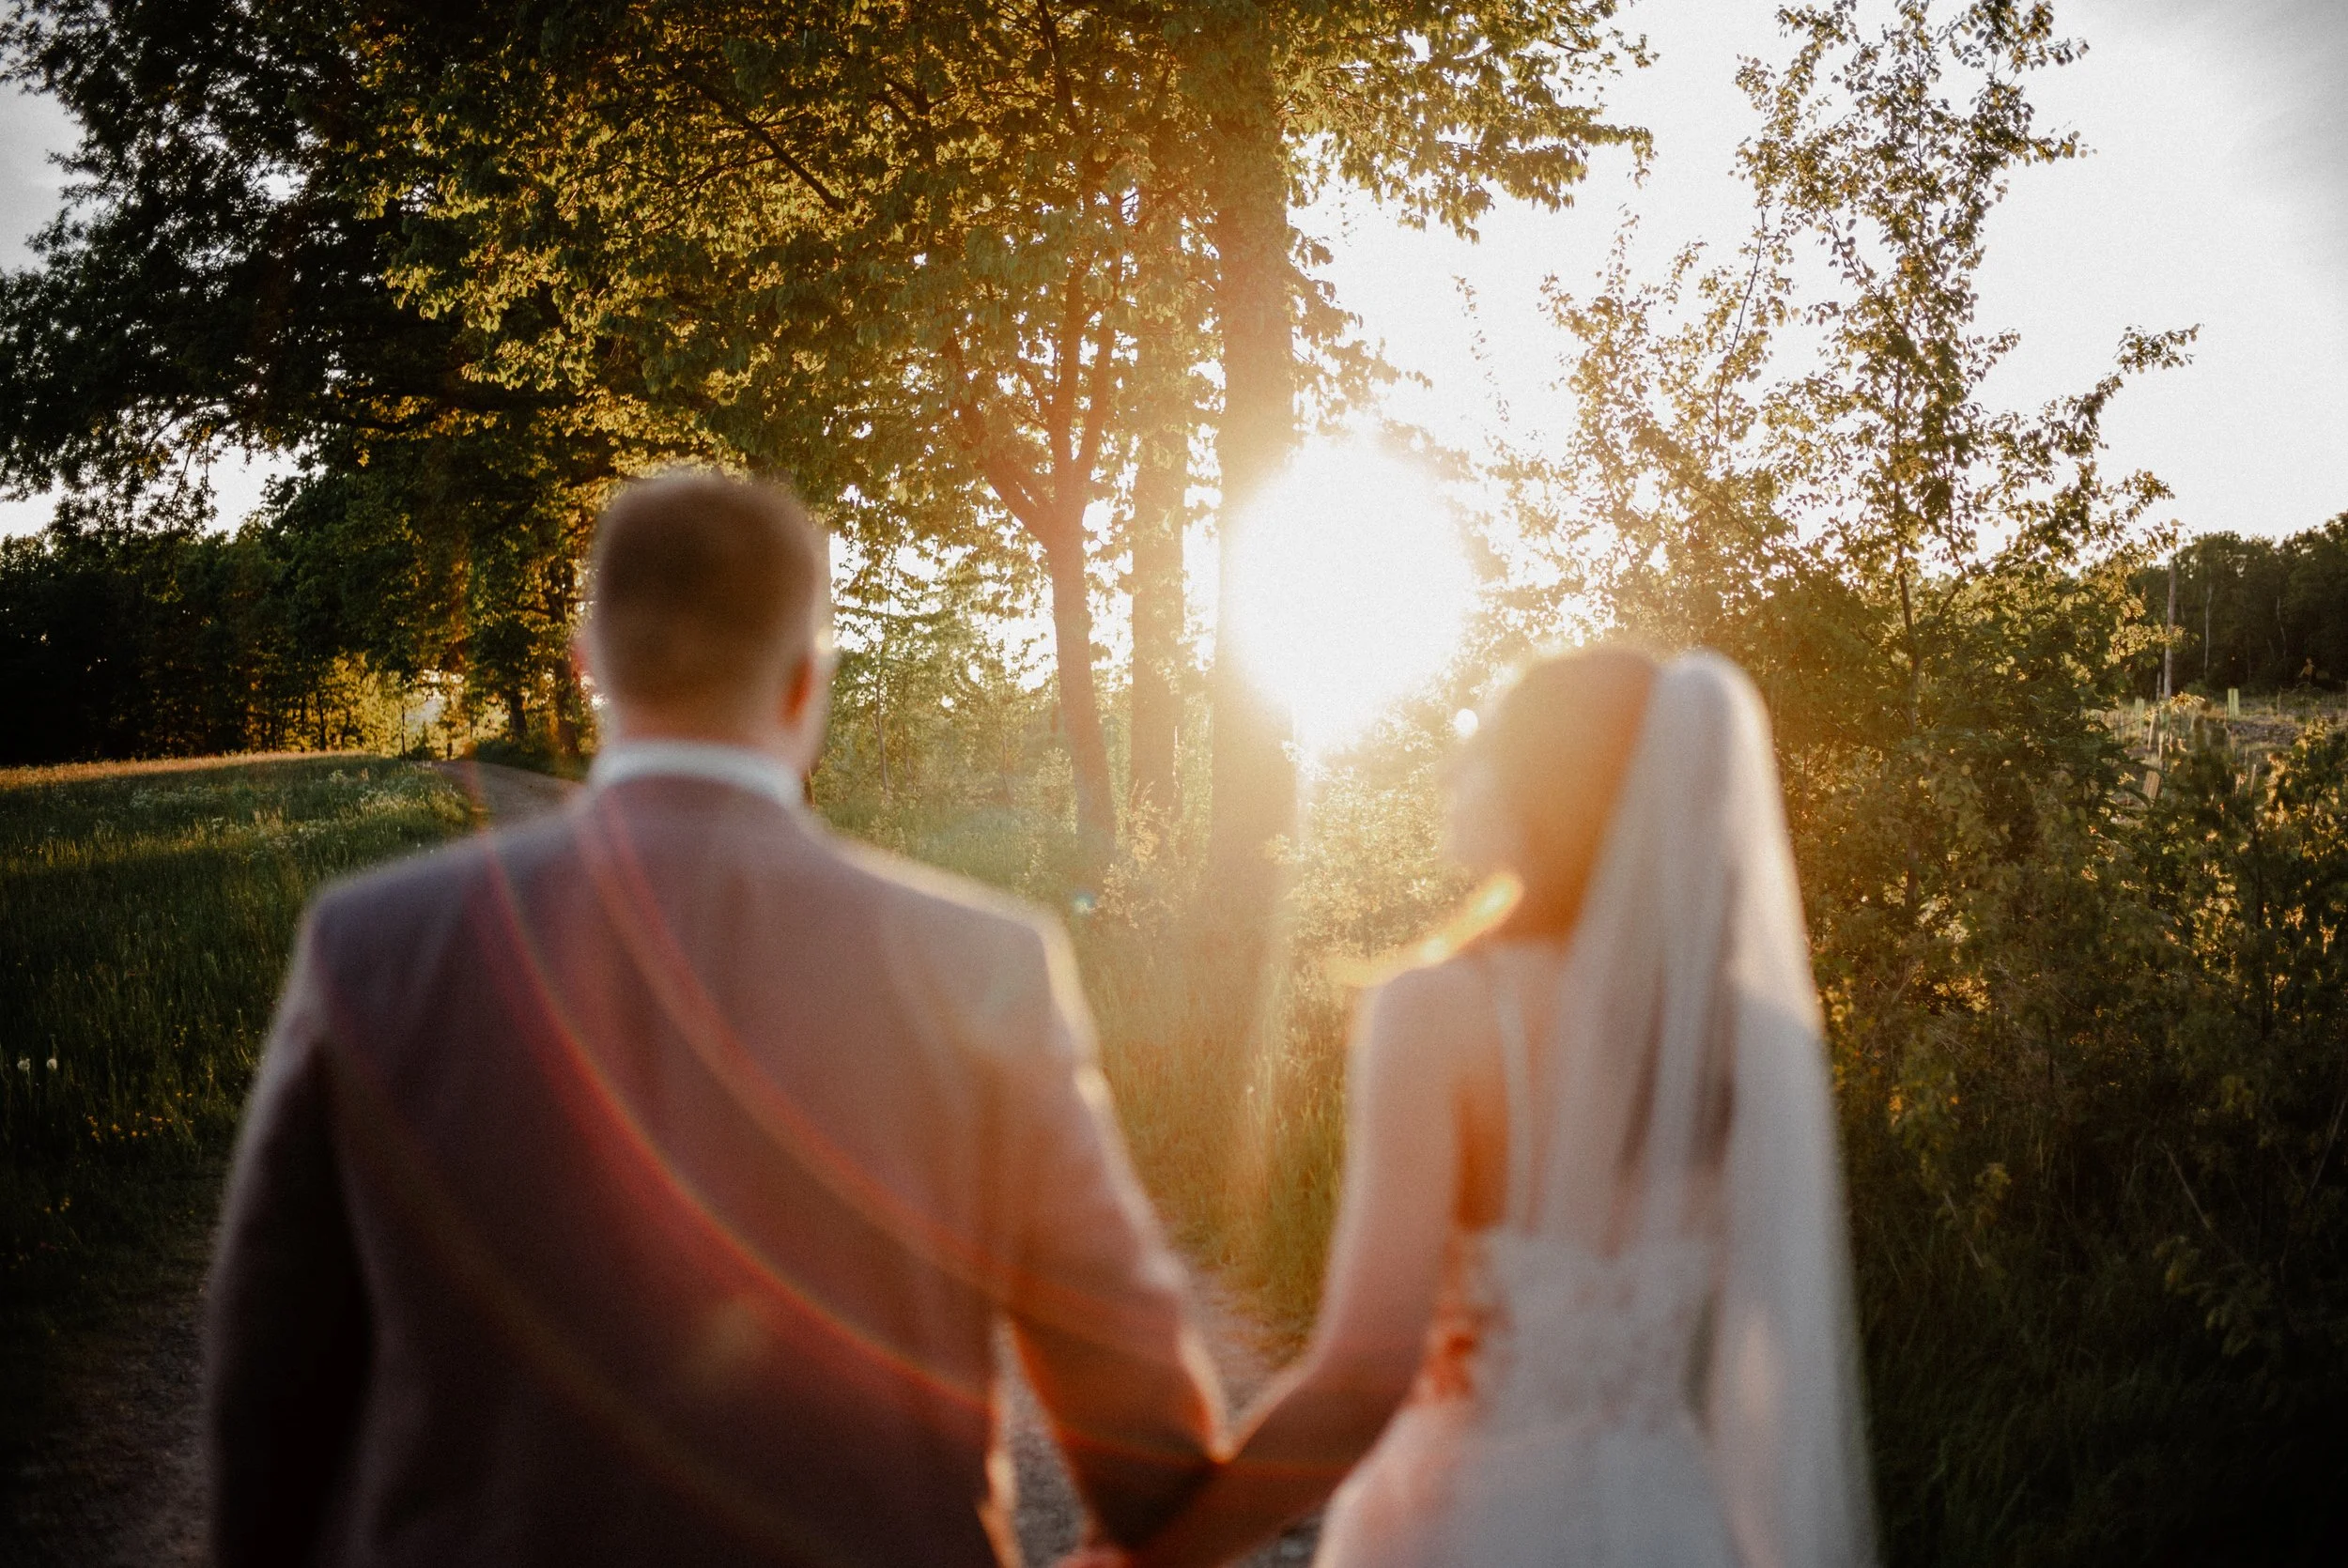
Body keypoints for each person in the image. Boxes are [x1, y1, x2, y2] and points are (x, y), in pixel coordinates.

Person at [204, 470, 1222, 1566]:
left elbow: (269, 1389)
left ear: (587, 665)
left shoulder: (371, 941)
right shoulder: (981, 962)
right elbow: (1145, 1443)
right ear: (805, 680)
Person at [1080, 647, 1876, 1568]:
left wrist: (1159, 1551)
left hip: (1469, 1521)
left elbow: (1360, 1381)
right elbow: (1770, 1370)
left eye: (1484, 746)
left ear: (1549, 789)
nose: (1452, 769)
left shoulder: (1441, 1011)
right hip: (1672, 1516)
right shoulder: (1757, 1037)